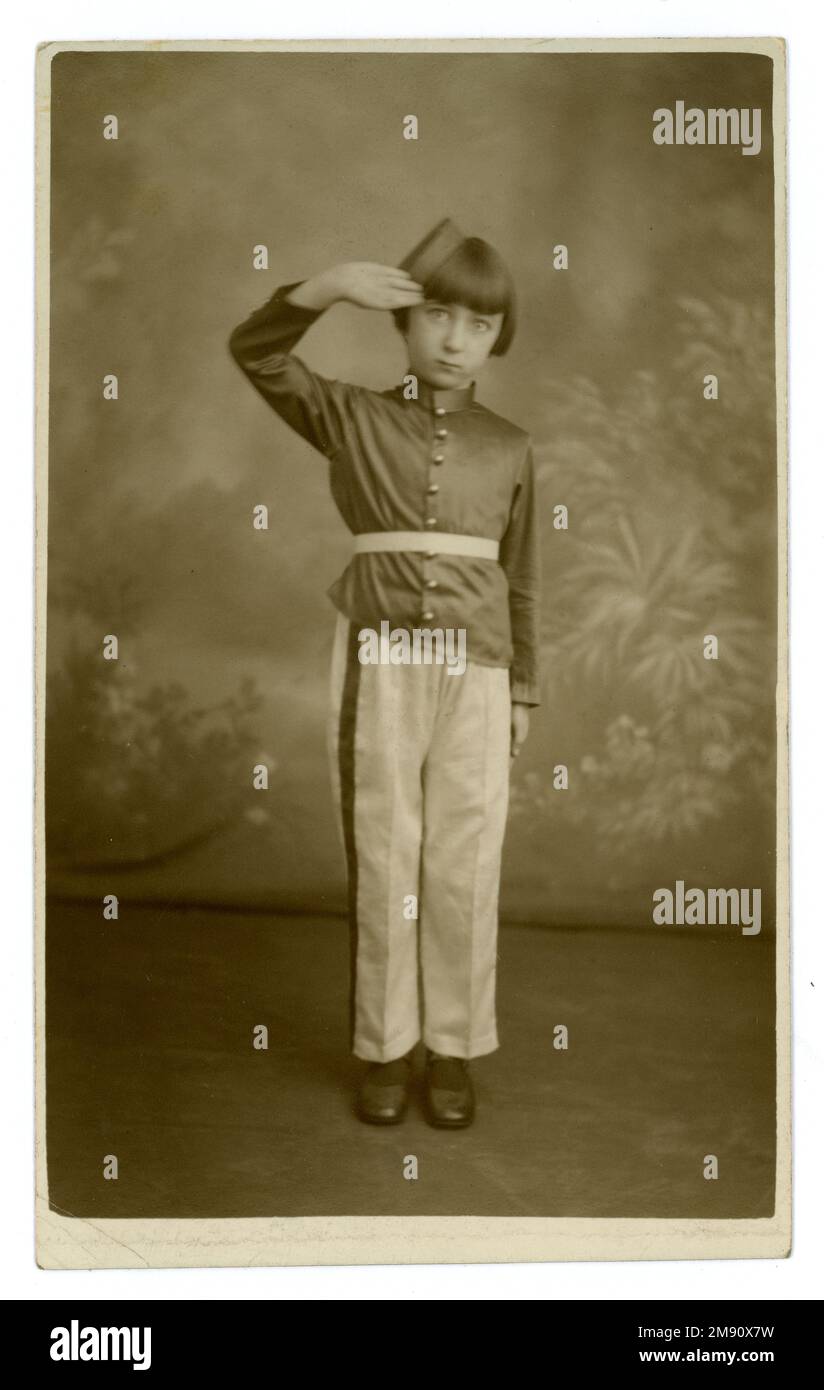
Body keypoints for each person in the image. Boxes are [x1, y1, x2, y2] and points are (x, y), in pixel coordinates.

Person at [228, 217, 541, 1128]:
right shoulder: (350, 414)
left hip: (478, 665)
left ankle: (452, 1051)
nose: (453, 340)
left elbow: (522, 576)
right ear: (404, 324)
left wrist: (523, 686)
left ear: (497, 337)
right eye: (437, 315)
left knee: (463, 860)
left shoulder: (512, 445)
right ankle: (386, 1047)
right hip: (384, 654)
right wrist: (323, 288)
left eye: (477, 325)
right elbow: (255, 351)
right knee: (387, 850)